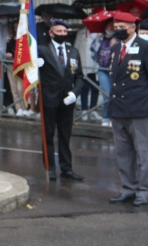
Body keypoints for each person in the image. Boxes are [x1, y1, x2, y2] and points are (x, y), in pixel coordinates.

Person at [107, 12, 148, 207]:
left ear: (133, 27)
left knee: (143, 154)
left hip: (139, 110)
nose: (118, 30)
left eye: (122, 26)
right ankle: (128, 189)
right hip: (118, 110)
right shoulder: (115, 48)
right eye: (116, 27)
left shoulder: (145, 47)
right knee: (123, 153)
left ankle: (144, 191)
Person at [37, 19, 85, 181]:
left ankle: (66, 168)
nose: (63, 34)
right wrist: (33, 64)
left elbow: (79, 76)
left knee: (65, 135)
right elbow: (24, 66)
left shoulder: (73, 51)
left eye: (65, 32)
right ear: (51, 33)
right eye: (59, 32)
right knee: (48, 134)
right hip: (48, 99)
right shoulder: (41, 50)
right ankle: (50, 167)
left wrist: (75, 93)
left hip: (67, 100)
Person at [91, 19, 117, 126]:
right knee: (106, 94)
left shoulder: (118, 39)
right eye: (109, 25)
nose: (111, 27)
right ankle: (106, 117)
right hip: (102, 68)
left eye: (113, 26)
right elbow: (92, 50)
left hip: (114, 69)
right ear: (105, 26)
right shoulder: (99, 38)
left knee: (113, 93)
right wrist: (98, 60)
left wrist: (115, 45)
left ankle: (113, 118)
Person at [74, 27, 101, 122]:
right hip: (84, 64)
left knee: (95, 89)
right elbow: (75, 48)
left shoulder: (101, 33)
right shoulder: (81, 33)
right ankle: (84, 110)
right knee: (84, 89)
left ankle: (93, 110)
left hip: (96, 65)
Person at [5, 20, 30, 117]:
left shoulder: (25, 39)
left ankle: (24, 108)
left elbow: (25, 53)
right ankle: (18, 108)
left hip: (21, 66)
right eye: (14, 27)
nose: (16, 29)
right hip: (10, 65)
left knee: (21, 88)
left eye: (18, 27)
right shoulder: (10, 38)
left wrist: (13, 55)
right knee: (14, 89)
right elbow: (7, 52)